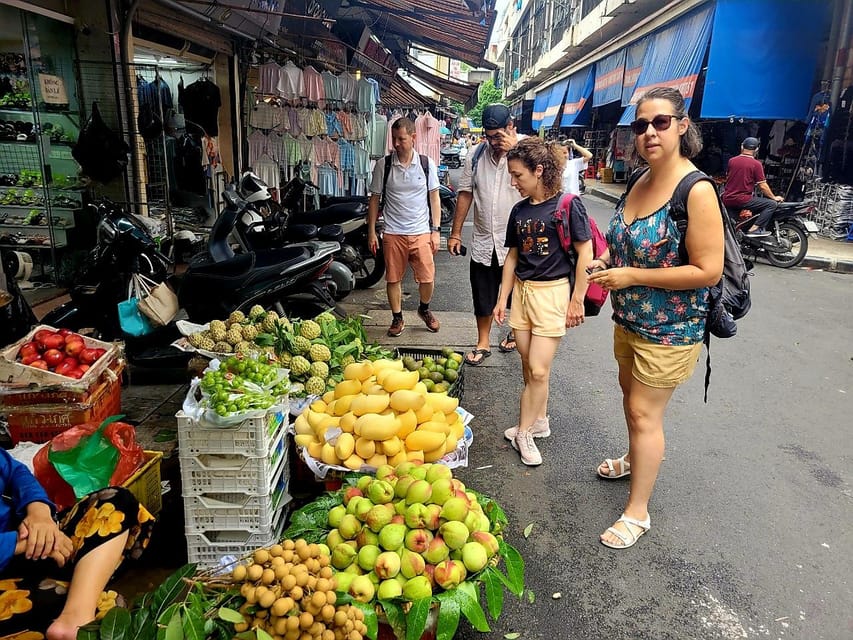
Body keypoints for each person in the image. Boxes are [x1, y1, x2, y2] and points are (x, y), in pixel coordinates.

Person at [586, 87, 724, 549]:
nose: (649, 133)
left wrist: (632, 275)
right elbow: (623, 242)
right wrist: (608, 265)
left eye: (660, 122)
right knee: (630, 400)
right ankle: (632, 457)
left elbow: (708, 270)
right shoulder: (639, 180)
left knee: (645, 414)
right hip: (628, 321)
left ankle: (637, 511)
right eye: (640, 125)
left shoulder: (696, 189)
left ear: (682, 126)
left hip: (669, 330)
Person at [493, 137, 593, 466]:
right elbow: (511, 257)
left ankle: (524, 432)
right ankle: (540, 420)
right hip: (522, 294)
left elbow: (585, 253)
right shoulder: (519, 211)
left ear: (539, 171)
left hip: (552, 295)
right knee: (530, 366)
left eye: (518, 175)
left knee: (537, 370)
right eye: (511, 175)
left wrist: (577, 298)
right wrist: (502, 299)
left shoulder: (567, 205)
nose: (514, 182)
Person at [0, 449, 154, 639]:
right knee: (106, 607)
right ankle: (78, 606)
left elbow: (15, 472)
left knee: (117, 501)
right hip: (15, 557)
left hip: (32, 539)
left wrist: (39, 514)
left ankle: (76, 616)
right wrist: (22, 543)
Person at [448, 104, 524, 365]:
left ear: (511, 127)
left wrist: (514, 150)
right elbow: (466, 193)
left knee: (518, 292)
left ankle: (515, 332)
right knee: (482, 292)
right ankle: (483, 342)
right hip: (484, 237)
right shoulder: (476, 154)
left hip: (518, 241)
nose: (493, 142)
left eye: (498, 136)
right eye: (489, 136)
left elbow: (544, 185)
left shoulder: (527, 150)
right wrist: (455, 233)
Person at [367, 117, 442, 337]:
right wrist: (372, 231)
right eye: (394, 139)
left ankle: (424, 309)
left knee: (427, 278)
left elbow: (435, 198)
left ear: (413, 138)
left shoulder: (427, 164)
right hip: (393, 231)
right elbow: (374, 199)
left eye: (401, 139)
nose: (397, 144)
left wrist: (435, 231)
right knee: (393, 278)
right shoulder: (384, 165)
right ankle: (397, 317)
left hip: (420, 231)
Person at [721, 136, 783, 236]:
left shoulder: (731, 161)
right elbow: (762, 185)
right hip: (743, 199)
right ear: (757, 149)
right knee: (771, 204)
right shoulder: (756, 164)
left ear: (742, 146)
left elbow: (728, 177)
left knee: (731, 228)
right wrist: (774, 197)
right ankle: (754, 229)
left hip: (728, 198)